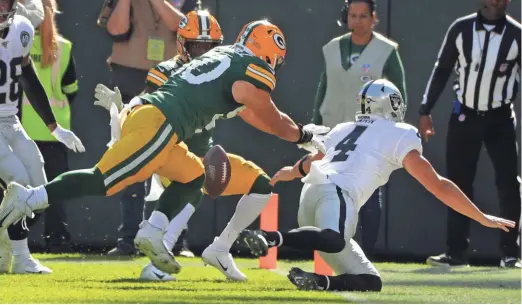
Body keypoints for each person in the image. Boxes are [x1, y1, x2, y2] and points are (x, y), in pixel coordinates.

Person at [0, 19, 326, 280]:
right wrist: (301, 135)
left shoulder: (227, 58)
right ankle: (29, 197)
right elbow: (270, 114)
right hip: (161, 123)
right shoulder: (252, 69)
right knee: (104, 181)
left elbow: (253, 111)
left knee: (193, 175)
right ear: (270, 53)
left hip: (159, 123)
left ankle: (154, 231)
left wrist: (295, 132)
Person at [238, 79, 515, 292]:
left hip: (310, 198)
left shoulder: (342, 128)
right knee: (333, 239)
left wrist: (291, 171)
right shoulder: (399, 134)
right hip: (337, 195)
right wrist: (481, 217)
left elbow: (315, 159)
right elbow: (439, 186)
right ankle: (270, 238)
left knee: (370, 280)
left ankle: (320, 282)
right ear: (390, 105)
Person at [95, 9, 274, 282]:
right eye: (196, 46)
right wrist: (121, 110)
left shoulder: (224, 72)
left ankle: (221, 248)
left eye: (208, 47)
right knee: (195, 179)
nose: (202, 53)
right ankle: (158, 261)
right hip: (172, 156)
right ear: (182, 44)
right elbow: (145, 107)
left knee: (261, 185)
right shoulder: (166, 71)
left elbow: (250, 108)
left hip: (205, 158)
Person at [418, 0, 521, 268]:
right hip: (465, 115)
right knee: (458, 182)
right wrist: (425, 110)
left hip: (500, 117)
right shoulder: (461, 29)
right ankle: (455, 251)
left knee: (509, 184)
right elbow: (441, 69)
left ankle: (511, 252)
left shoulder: (516, 34)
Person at [311, 0, 407, 256]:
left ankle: (368, 251)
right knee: (328, 190)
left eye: (363, 16)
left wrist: (395, 128)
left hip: (370, 131)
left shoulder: (386, 50)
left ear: (374, 17)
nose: (358, 21)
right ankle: (332, 248)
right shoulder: (333, 48)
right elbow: (324, 86)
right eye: (353, 15)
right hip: (335, 130)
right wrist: (315, 125)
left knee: (369, 193)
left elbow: (399, 91)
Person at [0, 0, 84, 274]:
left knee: (39, 186)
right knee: (18, 181)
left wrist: (54, 126)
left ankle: (4, 237)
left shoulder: (21, 28)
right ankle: (22, 258)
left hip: (11, 122)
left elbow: (27, 77)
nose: (3, 6)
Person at [101, 0, 186, 257]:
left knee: (176, 161)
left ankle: (175, 241)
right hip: (130, 80)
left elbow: (180, 25)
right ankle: (128, 239)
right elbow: (115, 29)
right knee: (130, 161)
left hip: (172, 82)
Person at [20, 0, 77, 253]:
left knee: (17, 188)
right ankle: (57, 241)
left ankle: (13, 238)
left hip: (22, 130)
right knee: (54, 191)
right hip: (55, 131)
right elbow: (70, 90)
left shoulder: (15, 41)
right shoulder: (63, 48)